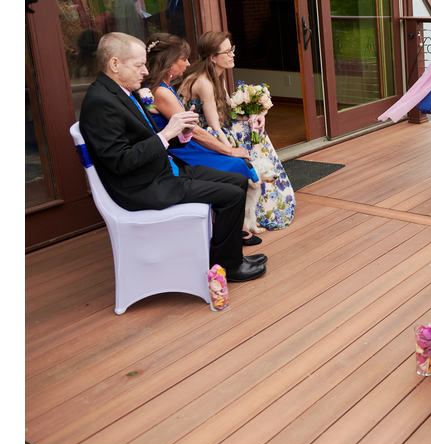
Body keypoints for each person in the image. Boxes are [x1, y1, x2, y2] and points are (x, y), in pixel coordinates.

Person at [78, 32, 266, 282]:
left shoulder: (121, 92)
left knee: (236, 180)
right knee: (231, 195)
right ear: (114, 64)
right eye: (138, 65)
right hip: (143, 187)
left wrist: (182, 131)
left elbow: (149, 137)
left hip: (161, 171)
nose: (145, 71)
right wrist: (167, 132)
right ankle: (228, 267)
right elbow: (120, 161)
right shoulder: (101, 102)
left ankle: (228, 257)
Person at [142, 33, 264, 247]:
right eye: (183, 59)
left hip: (187, 142)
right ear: (169, 62)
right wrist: (228, 150)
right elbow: (195, 132)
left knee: (237, 160)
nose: (188, 63)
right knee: (234, 164)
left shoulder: (165, 85)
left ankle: (235, 224)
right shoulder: (161, 91)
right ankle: (232, 227)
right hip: (180, 150)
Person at [179, 30, 296, 231]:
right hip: (196, 138)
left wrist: (257, 114)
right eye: (227, 52)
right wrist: (234, 153)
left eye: (232, 49)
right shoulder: (204, 82)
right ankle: (261, 204)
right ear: (213, 57)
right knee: (249, 140)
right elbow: (214, 126)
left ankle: (266, 201)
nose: (233, 54)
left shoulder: (217, 76)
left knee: (256, 131)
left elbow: (229, 111)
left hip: (214, 127)